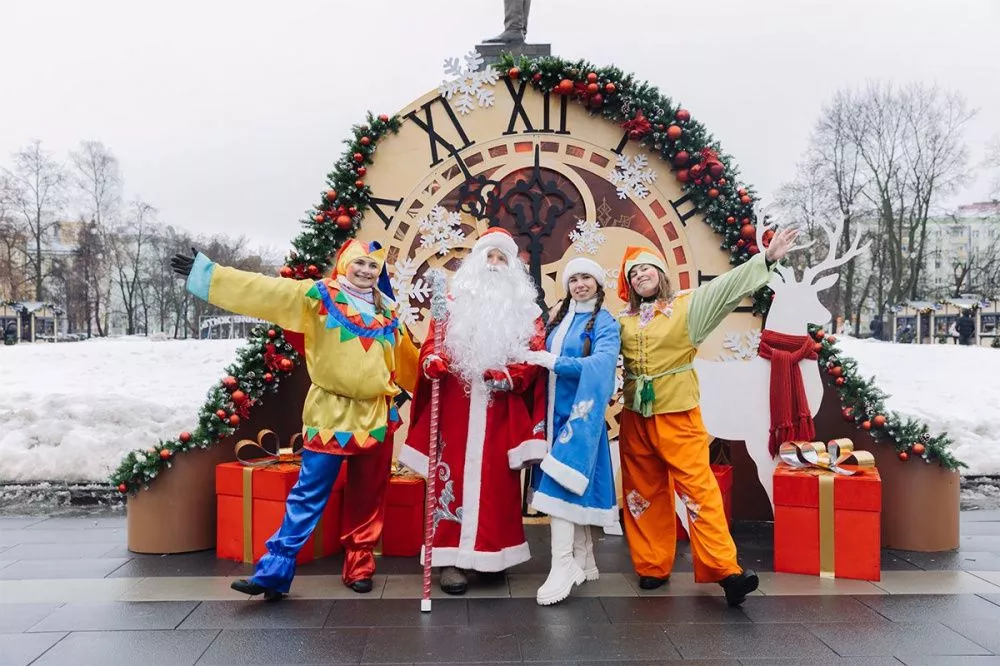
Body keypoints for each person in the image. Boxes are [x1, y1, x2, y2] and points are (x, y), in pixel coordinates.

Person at [170, 240, 418, 599]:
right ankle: (275, 569)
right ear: (345, 263)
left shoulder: (388, 311)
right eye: (359, 263)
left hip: (377, 414)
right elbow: (264, 290)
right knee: (308, 493)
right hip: (330, 412)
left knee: (369, 495)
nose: (366, 271)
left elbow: (410, 360)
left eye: (373, 267)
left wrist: (437, 373)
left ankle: (359, 562)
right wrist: (210, 275)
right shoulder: (318, 297)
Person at [616, 227, 799, 607]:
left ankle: (726, 571)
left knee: (699, 491)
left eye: (646, 269)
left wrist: (765, 259)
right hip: (636, 417)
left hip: (678, 414)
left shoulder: (688, 307)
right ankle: (651, 566)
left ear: (661, 274)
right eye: (633, 274)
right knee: (641, 494)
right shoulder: (622, 321)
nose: (640, 276)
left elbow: (726, 288)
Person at [399, 227, 547, 596]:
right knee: (452, 479)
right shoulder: (451, 301)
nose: (495, 265)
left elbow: (533, 354)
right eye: (489, 257)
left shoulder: (526, 311)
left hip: (500, 407)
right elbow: (436, 340)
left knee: (496, 483)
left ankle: (491, 555)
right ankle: (450, 560)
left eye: (502, 258)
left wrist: (510, 375)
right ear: (476, 262)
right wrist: (433, 358)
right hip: (456, 403)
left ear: (513, 267)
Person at [522, 257, 620, 606]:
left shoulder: (605, 323)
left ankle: (563, 565)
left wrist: (554, 362)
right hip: (552, 417)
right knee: (567, 484)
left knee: (560, 483)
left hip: (579, 418)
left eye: (586, 278)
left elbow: (602, 365)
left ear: (597, 283)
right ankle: (584, 557)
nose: (580, 284)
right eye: (574, 279)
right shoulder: (559, 318)